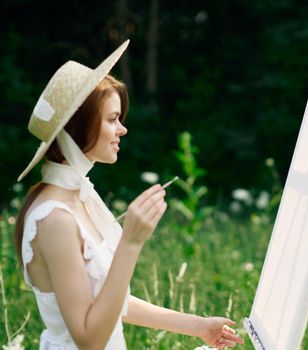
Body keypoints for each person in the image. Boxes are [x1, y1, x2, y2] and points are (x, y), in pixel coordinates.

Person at [14, 40, 244, 349]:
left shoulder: (77, 199)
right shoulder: (54, 218)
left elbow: (104, 300)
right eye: (112, 119)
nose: (122, 129)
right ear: (77, 126)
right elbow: (88, 338)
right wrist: (130, 242)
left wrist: (198, 326)